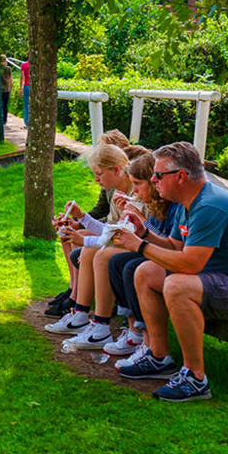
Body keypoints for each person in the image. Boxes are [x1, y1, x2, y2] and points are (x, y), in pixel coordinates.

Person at [114, 142, 228, 401]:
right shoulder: (188, 201)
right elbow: (175, 246)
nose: (153, 180)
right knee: (146, 272)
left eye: (158, 175)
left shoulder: (209, 206)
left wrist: (139, 245)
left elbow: (189, 264)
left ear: (181, 177)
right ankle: (159, 356)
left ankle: (195, 378)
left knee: (177, 285)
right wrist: (145, 233)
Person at [45, 143, 133, 345]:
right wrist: (81, 217)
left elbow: (119, 234)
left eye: (99, 174)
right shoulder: (116, 192)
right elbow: (110, 230)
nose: (96, 179)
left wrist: (83, 239)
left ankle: (97, 323)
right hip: (127, 243)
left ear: (117, 170)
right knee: (85, 243)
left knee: (95, 252)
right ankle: (79, 311)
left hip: (134, 247)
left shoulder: (129, 192)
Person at [99, 152, 182, 360]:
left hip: (181, 264)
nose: (134, 190)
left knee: (133, 267)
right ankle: (135, 331)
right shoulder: (158, 203)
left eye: (138, 184)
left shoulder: (173, 204)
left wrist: (142, 223)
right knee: (117, 262)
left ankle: (148, 341)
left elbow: (170, 243)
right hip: (168, 257)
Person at [20, 56, 31, 127]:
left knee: (26, 105)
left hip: (27, 85)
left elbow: (22, 77)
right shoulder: (37, 65)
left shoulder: (24, 65)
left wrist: (20, 88)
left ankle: (27, 122)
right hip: (35, 87)